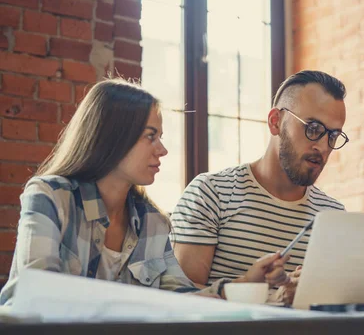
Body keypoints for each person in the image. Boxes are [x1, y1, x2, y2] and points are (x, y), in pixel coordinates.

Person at [0, 79, 287, 306]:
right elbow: (34, 292)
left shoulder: (153, 221)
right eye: (151, 136)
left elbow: (181, 299)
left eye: (160, 137)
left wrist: (245, 282)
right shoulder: (50, 197)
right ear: (112, 135)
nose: (162, 150)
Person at [171, 70, 348, 304]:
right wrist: (258, 291)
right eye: (313, 129)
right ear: (275, 122)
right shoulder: (210, 194)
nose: (323, 147)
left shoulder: (334, 215)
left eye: (333, 136)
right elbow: (179, 299)